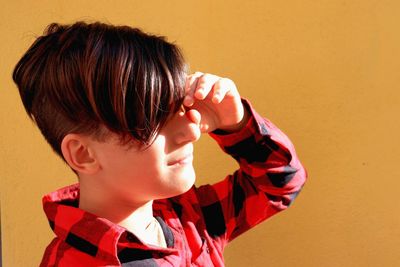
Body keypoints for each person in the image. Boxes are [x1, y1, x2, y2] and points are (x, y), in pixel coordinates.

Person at [12, 21, 307, 267]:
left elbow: (280, 182)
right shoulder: (72, 262)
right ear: (83, 153)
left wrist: (237, 123)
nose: (190, 131)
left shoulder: (189, 220)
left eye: (179, 106)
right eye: (153, 120)